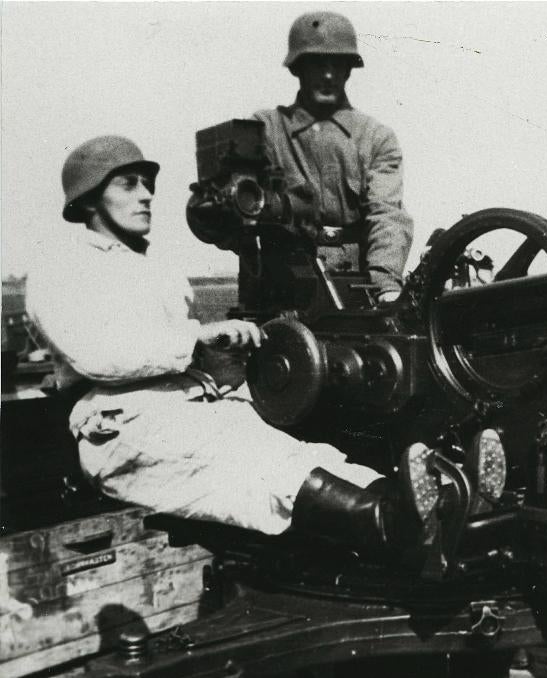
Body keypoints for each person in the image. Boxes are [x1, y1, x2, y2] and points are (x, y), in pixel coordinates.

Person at [26, 136, 491, 558]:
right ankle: (400, 523)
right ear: (89, 197)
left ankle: (444, 500)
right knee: (271, 474)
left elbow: (180, 354)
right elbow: (100, 355)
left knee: (307, 457)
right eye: (128, 184)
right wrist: (197, 340)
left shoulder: (151, 268)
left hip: (190, 409)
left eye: (147, 184)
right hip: (122, 429)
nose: (146, 195)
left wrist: (231, 357)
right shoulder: (61, 268)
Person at [254, 11, 413, 303]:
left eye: (337, 64)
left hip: (358, 290)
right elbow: (233, 210)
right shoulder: (267, 130)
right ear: (298, 69)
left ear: (348, 70)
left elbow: (387, 215)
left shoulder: (375, 138)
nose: (328, 75)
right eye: (317, 64)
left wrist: (386, 284)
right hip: (282, 290)